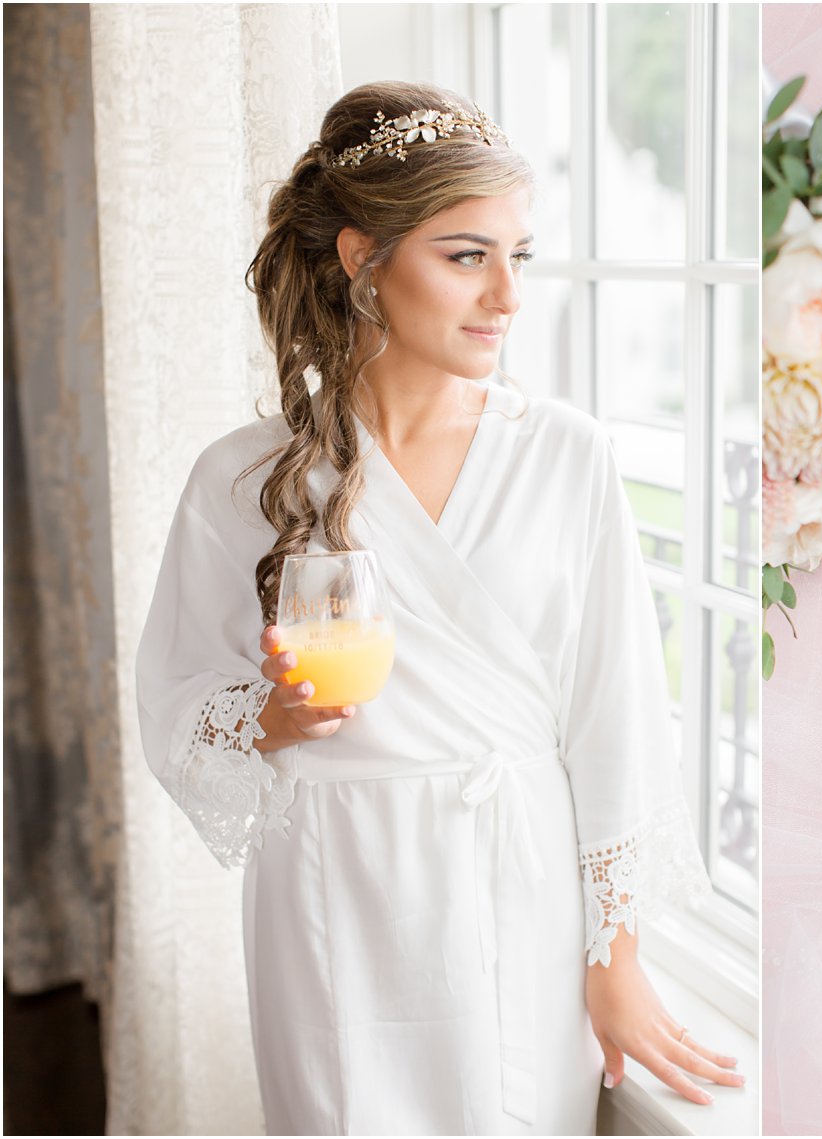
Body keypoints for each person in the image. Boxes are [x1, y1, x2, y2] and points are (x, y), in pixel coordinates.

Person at [135, 80, 742, 1135]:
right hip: (331, 889)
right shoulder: (244, 480)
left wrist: (616, 962)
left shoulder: (564, 455)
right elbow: (177, 696)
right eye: (467, 256)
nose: (506, 296)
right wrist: (270, 715)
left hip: (521, 884)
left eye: (521, 257)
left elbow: (618, 722)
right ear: (362, 259)